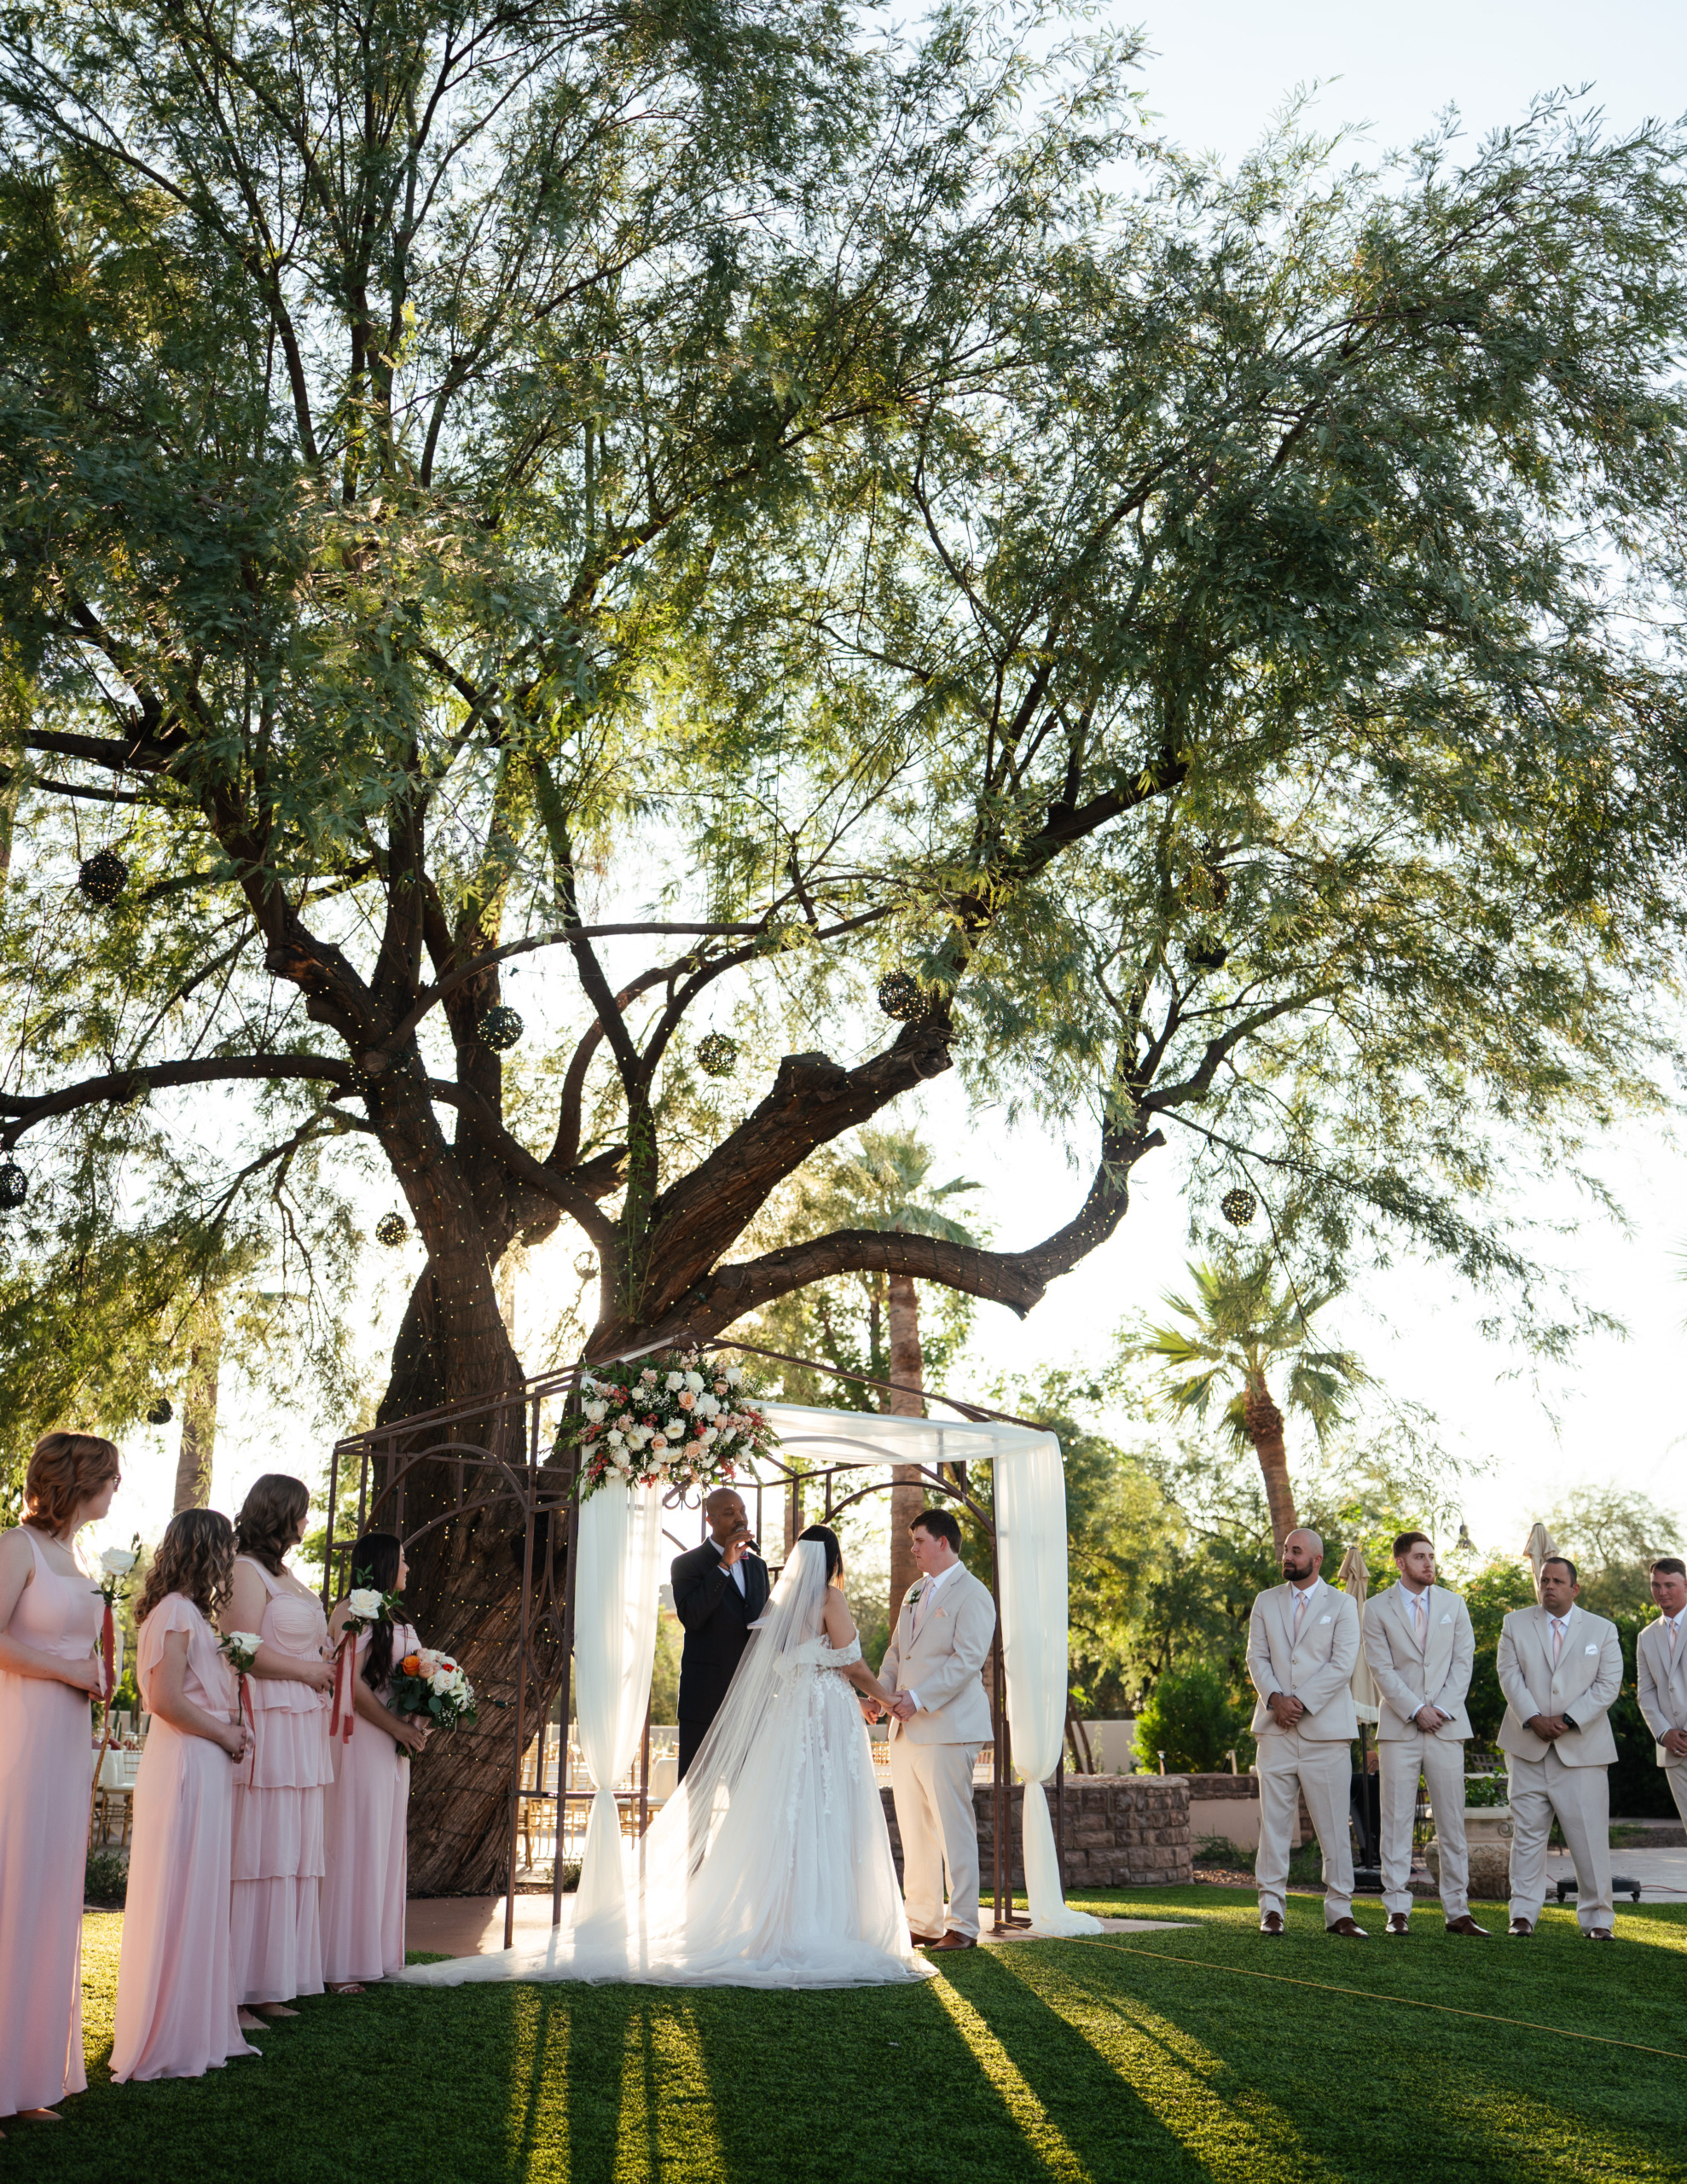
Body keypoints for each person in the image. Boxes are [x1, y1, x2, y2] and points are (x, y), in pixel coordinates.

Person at [394, 1525, 930, 1989]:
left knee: (790, 1817)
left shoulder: (781, 1606)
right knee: (827, 1814)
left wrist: (862, 1696)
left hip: (793, 1717)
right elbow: (852, 1664)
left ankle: (782, 1923)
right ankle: (828, 1924)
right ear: (833, 1562)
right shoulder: (830, 1599)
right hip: (824, 1719)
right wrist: (886, 1700)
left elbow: (800, 1663)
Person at [111, 1509, 258, 2084]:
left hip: (206, 1757)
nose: (230, 1563)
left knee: (200, 1888)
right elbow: (165, 1700)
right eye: (226, 1550)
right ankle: (169, 2033)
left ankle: (197, 2022)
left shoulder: (192, 1613)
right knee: (180, 1886)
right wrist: (224, 1732)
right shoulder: (174, 1611)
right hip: (187, 1761)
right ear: (207, 1551)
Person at [0, 1432, 120, 2131]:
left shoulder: (73, 1558)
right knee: (13, 1890)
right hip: (20, 1744)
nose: (115, 1491)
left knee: (47, 1897)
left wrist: (95, 1674)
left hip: (66, 1742)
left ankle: (27, 2074)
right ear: (79, 1481)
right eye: (110, 1478)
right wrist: (67, 1670)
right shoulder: (16, 1547)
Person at [224, 1474, 335, 2024]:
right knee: (257, 1849)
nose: (307, 1523)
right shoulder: (243, 1571)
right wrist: (309, 1671)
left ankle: (268, 1980)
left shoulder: (288, 1575)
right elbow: (241, 1652)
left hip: (303, 1726)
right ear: (280, 1514)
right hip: (268, 1717)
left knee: (288, 1849)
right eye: (302, 1513)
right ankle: (235, 1988)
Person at [872, 1507, 996, 1951]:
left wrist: (917, 1699)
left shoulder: (974, 1594)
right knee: (915, 1830)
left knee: (953, 1828)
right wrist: (882, 1695)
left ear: (943, 1541)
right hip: (904, 1732)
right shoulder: (914, 1591)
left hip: (949, 1729)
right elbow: (896, 1653)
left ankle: (962, 1925)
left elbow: (967, 1662)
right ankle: (922, 1921)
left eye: (919, 1540)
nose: (913, 1549)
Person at [1363, 1531, 1487, 1937]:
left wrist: (1440, 1710)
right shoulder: (1377, 1608)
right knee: (1396, 1820)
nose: (1429, 1563)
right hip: (1400, 1729)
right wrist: (1417, 1710)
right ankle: (1397, 1910)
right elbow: (1381, 1669)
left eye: (1431, 1556)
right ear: (1400, 1562)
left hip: (1447, 1727)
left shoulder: (1455, 1603)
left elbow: (1462, 1663)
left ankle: (1458, 1912)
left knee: (1451, 1821)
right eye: (1420, 1557)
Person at [320, 1532, 428, 1993]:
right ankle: (342, 1962)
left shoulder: (391, 1614)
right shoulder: (353, 1610)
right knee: (355, 1839)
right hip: (362, 1738)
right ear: (384, 1563)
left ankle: (376, 1953)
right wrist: (396, 1726)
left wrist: (425, 1712)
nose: (408, 1569)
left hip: (391, 1745)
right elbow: (351, 1686)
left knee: (383, 1840)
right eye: (402, 1561)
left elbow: (410, 1675)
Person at [1247, 1526, 1365, 1938]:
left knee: (1334, 1825)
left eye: (1295, 1551)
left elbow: (1342, 1662)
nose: (1287, 1556)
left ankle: (1340, 1911)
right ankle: (1271, 1909)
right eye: (1285, 1549)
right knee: (1274, 1825)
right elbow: (1256, 1657)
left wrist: (1301, 1703)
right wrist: (1276, 1699)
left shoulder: (1345, 1604)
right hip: (1274, 1730)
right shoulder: (1265, 1601)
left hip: (1326, 1734)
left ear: (1316, 1560)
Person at [1497, 1554, 1623, 1940]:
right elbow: (1509, 1674)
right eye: (1543, 1580)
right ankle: (1522, 1915)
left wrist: (1567, 1721)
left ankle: (1598, 1919)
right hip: (1527, 1747)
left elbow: (1608, 1685)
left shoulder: (1602, 1630)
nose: (1548, 1586)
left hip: (1583, 1752)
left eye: (1556, 1581)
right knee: (1528, 1835)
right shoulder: (1514, 1623)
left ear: (1574, 1588)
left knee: (1588, 1839)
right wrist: (1534, 1718)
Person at [670, 1487, 769, 1781]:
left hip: (749, 1698)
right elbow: (692, 1617)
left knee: (745, 1795)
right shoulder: (687, 1564)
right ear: (710, 1519)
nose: (739, 1518)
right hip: (704, 1699)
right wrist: (724, 1564)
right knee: (697, 1790)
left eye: (742, 1511)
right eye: (729, 1513)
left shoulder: (758, 1567)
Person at [1635, 1557, 1687, 1833]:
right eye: (1656, 1585)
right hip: (1672, 1749)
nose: (1662, 1592)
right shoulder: (1646, 1636)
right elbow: (1645, 1692)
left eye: (1669, 1585)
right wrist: (1663, 1732)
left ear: (1686, 1585)